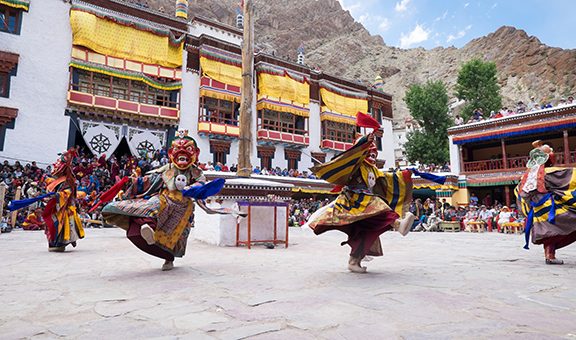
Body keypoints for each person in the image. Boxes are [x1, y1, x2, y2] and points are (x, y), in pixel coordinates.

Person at [305, 112, 420, 273]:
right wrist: (366, 140)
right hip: (353, 200)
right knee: (379, 205)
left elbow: (385, 177)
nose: (372, 154)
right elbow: (354, 152)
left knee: (366, 234)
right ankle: (398, 224)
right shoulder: (356, 163)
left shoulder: (372, 168)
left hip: (364, 204)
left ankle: (354, 261)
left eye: (374, 152)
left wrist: (405, 174)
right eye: (369, 152)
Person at [102, 131, 232, 271]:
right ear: (171, 153)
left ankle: (168, 259)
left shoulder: (196, 172)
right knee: (152, 206)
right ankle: (148, 229)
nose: (182, 154)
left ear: (196, 153)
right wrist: (135, 181)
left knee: (173, 235)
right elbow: (150, 179)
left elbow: (201, 185)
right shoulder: (167, 169)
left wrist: (191, 188)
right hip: (165, 197)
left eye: (188, 149)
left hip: (183, 207)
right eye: (177, 149)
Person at [516, 140, 576, 264]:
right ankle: (550, 255)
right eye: (551, 152)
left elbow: (519, 194)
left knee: (549, 234)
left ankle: (550, 255)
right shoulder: (550, 172)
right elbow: (570, 177)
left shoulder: (526, 177)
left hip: (539, 212)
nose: (554, 154)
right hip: (554, 209)